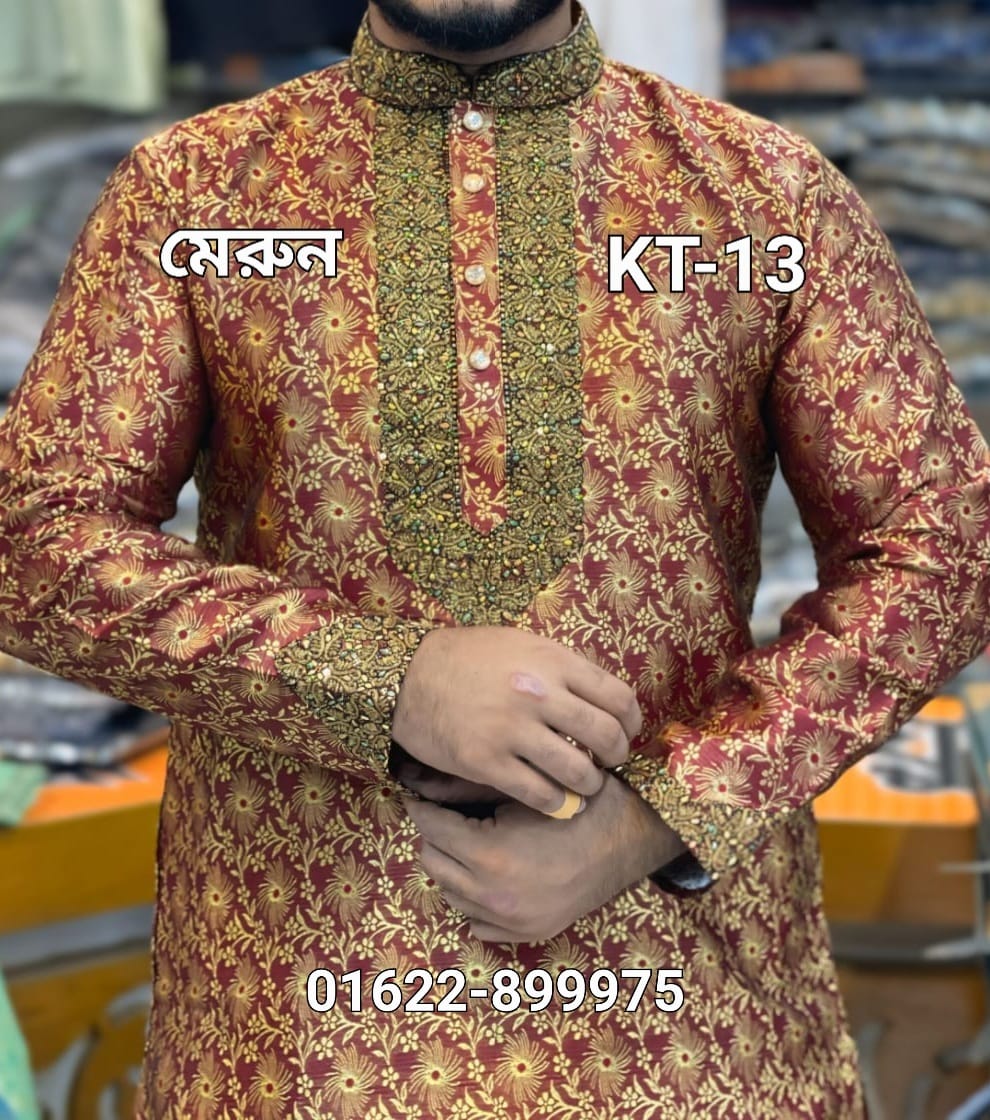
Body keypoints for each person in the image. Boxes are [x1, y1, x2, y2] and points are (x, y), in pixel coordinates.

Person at [1, 1, 988, 1116]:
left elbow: (945, 545)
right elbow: (32, 538)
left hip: (683, 1021)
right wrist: (385, 680)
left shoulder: (764, 194)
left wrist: (665, 812)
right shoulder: (195, 190)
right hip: (300, 1026)